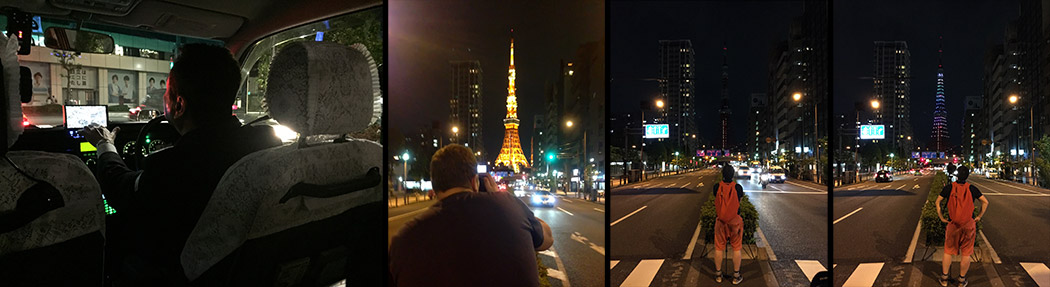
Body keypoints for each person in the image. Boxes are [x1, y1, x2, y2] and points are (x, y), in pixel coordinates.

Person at [79, 43, 281, 285]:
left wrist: (105, 144)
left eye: (167, 91)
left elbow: (120, 189)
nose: (165, 98)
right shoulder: (267, 142)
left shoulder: (173, 165)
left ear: (179, 105)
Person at [389, 144, 553, 287]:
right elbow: (547, 238)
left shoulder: (404, 237)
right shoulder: (511, 207)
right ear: (475, 181)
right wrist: (499, 195)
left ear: (434, 184)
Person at [935, 166, 989, 287]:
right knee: (966, 253)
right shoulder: (972, 188)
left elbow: (937, 201)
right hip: (968, 224)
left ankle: (944, 279)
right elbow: (985, 202)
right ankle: (961, 280)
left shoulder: (949, 188)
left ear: (956, 175)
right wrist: (979, 216)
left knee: (948, 251)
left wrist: (941, 216)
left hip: (952, 224)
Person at [713, 164, 745, 284]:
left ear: (722, 174)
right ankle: (736, 276)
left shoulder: (717, 187)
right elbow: (739, 203)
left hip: (720, 221)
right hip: (735, 221)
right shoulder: (738, 187)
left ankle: (718, 275)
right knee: (736, 248)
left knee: (719, 247)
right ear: (733, 174)